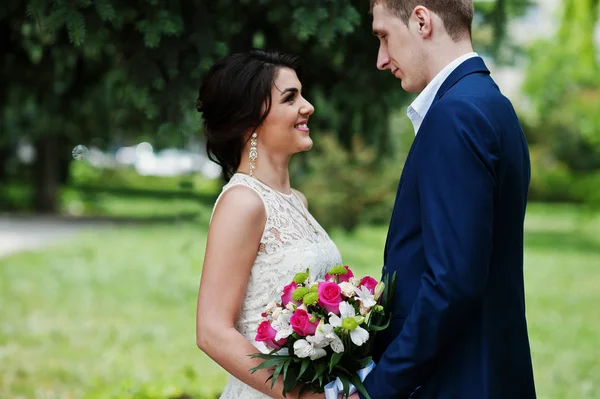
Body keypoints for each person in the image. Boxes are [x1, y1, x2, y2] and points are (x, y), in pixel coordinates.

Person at [350, 1, 537, 398]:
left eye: (384, 36)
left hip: (455, 381)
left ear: (421, 21)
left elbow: (452, 282)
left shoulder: (456, 114)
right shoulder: (490, 103)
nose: (382, 60)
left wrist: (378, 389)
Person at [194, 49, 340, 399]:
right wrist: (303, 395)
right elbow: (212, 332)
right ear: (250, 121)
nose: (308, 107)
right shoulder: (243, 202)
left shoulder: (297, 201)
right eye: (290, 98)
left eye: (301, 94)